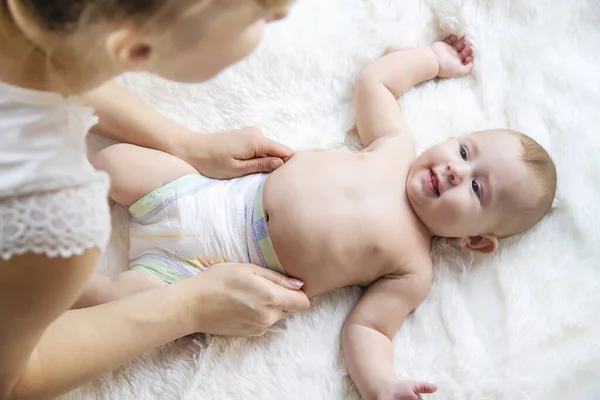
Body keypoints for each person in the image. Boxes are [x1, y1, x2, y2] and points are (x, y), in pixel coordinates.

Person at [84, 36, 557, 400]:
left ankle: (41, 282)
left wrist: (382, 384)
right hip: (202, 196)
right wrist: (433, 59)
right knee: (118, 163)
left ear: (476, 241)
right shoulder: (394, 147)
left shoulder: (413, 269)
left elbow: (367, 330)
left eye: (476, 187)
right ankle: (47, 200)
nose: (455, 170)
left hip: (208, 276)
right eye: (464, 149)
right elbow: (377, 83)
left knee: (115, 305)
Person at [0, 1, 311, 399]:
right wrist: (191, 305)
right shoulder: (48, 211)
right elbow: (14, 378)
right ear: (135, 51)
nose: (281, 15)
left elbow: (62, 53)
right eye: (259, 14)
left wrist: (182, 143)